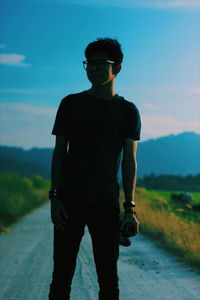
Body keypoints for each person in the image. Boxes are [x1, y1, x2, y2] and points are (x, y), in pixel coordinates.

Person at [48, 37, 141, 300]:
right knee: (61, 276)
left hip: (106, 203)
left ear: (117, 68)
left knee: (108, 279)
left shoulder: (127, 111)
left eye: (101, 63)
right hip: (70, 201)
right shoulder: (70, 104)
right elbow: (59, 153)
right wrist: (55, 197)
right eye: (89, 63)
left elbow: (128, 161)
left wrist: (129, 208)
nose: (94, 69)